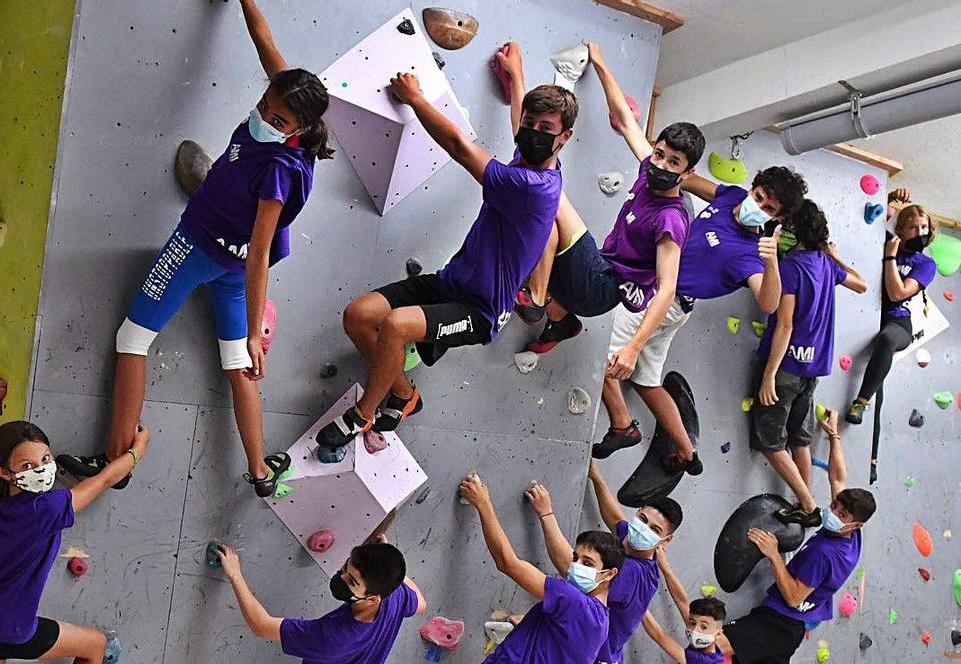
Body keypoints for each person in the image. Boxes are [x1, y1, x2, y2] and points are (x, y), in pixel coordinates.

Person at [56, 0, 330, 495]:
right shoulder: (288, 102)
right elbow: (264, 40)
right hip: (231, 256)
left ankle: (117, 459)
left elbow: (262, 254)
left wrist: (253, 330)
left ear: (301, 128)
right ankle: (261, 473)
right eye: (267, 106)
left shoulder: (278, 173)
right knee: (235, 365)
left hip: (202, 247)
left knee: (132, 340)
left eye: (280, 118)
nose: (267, 117)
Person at [313, 42, 572, 449]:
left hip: (480, 311)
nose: (533, 134)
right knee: (359, 315)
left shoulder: (531, 187)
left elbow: (457, 146)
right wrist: (516, 75)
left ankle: (363, 415)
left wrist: (415, 98)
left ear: (564, 138)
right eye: (531, 125)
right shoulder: (537, 156)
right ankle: (404, 394)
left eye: (546, 130)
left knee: (396, 327)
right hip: (451, 282)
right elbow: (522, 122)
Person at [521, 42, 704, 404]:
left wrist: (634, 348)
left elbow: (667, 289)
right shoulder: (647, 172)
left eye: (674, 163)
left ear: (688, 172)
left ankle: (538, 299)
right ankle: (560, 317)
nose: (662, 165)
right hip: (588, 284)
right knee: (545, 232)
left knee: (551, 196)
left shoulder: (672, 218)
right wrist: (601, 62)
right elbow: (624, 121)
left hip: (603, 286)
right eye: (660, 154)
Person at [592, 165, 806, 475]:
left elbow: (769, 303)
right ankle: (687, 452)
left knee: (603, 356)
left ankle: (622, 424)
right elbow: (686, 179)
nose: (758, 208)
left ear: (778, 219)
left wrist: (771, 263)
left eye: (769, 209)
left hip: (663, 302)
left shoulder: (751, 253)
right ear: (752, 188)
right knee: (646, 381)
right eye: (758, 197)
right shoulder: (730, 196)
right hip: (670, 303)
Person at [0, 371, 150, 664]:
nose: (42, 469)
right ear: (7, 472)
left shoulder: (0, 492)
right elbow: (102, 480)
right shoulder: (47, 508)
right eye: (28, 465)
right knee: (96, 647)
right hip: (10, 628)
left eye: (45, 459)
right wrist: (137, 450)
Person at [720, 409, 875, 664]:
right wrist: (834, 436)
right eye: (835, 506)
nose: (834, 513)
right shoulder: (851, 533)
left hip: (779, 621)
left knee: (709, 647)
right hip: (790, 628)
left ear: (856, 524)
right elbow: (838, 478)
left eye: (842, 514)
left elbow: (793, 597)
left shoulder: (825, 553)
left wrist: (774, 555)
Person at [751, 201, 868, 526]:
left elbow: (785, 324)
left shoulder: (790, 267)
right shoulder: (825, 263)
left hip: (786, 368)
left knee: (770, 442)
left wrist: (769, 376)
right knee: (798, 437)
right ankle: (804, 504)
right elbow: (862, 284)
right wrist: (834, 254)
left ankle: (807, 503)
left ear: (794, 231)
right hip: (812, 370)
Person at [462, 475, 624, 664]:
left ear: (609, 574)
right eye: (575, 558)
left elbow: (507, 562)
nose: (575, 566)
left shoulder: (573, 601)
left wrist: (482, 503)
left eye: (588, 563)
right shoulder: (601, 622)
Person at [215, 542, 426, 664]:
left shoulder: (332, 638)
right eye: (345, 567)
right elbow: (421, 605)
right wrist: (391, 571)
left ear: (372, 599)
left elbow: (261, 626)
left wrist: (235, 575)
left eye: (352, 582)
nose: (341, 577)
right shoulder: (394, 597)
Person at [845, 189, 937, 424]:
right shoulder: (885, 241)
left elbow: (898, 294)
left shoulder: (925, 263)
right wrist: (889, 198)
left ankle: (861, 403)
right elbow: (871, 220)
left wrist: (890, 258)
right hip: (866, 313)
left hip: (898, 322)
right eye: (914, 228)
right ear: (901, 230)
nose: (920, 233)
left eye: (924, 227)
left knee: (887, 339)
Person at [586, 461, 683, 664]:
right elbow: (615, 519)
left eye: (655, 530)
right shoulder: (629, 543)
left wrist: (546, 516)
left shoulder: (632, 573)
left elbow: (576, 583)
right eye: (643, 519)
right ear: (638, 512)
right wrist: (596, 476)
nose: (643, 529)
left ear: (666, 540)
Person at [639, 547, 727, 664]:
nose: (695, 630)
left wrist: (636, 599)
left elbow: (659, 636)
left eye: (703, 627)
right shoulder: (707, 643)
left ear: (718, 634)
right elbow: (682, 601)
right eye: (692, 623)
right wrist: (664, 565)